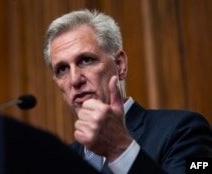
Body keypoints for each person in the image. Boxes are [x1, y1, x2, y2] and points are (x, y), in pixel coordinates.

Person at [43, 9, 212, 174]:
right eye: (62, 69)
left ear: (120, 65)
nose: (74, 80)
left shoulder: (184, 130)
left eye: (86, 60)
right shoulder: (60, 160)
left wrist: (120, 150)